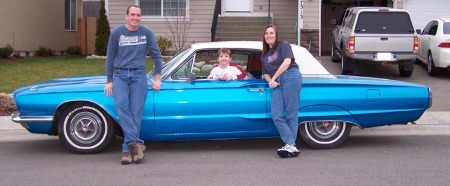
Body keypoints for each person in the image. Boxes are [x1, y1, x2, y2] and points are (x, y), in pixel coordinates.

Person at [104, 5, 163, 165]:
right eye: (133, 15)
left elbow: (157, 56)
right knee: (120, 104)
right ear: (126, 16)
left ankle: (126, 150)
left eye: (138, 15)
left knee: (136, 112)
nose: (136, 17)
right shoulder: (117, 33)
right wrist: (109, 80)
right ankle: (136, 143)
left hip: (139, 75)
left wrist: (157, 78)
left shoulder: (146, 33)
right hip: (120, 75)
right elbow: (110, 57)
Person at [261, 24, 303, 158]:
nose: (269, 35)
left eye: (271, 33)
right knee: (277, 114)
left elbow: (287, 62)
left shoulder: (283, 45)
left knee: (291, 112)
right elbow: (264, 74)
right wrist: (270, 81)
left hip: (290, 75)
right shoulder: (264, 55)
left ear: (276, 35)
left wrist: (273, 78)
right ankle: (291, 145)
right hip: (276, 82)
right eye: (266, 33)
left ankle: (290, 144)